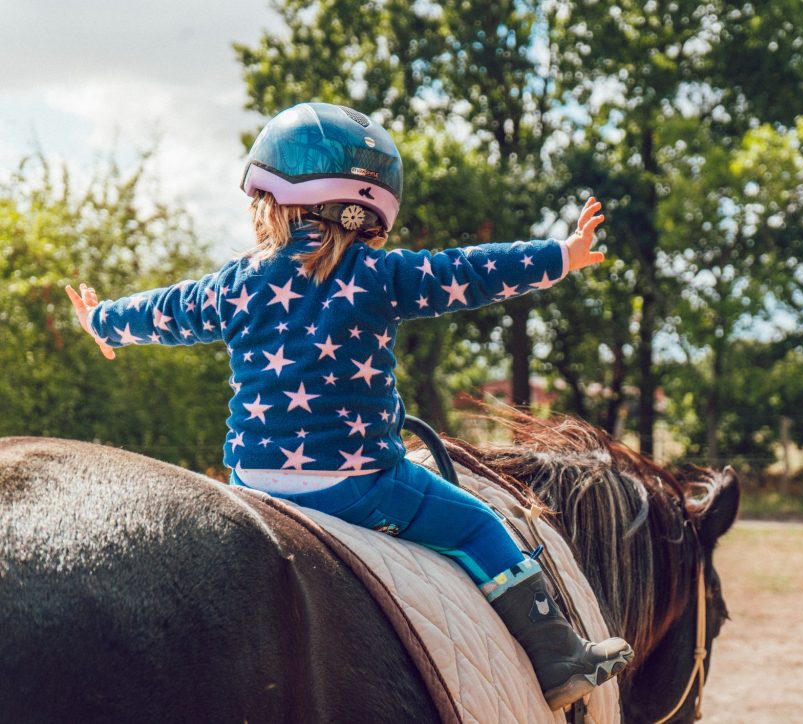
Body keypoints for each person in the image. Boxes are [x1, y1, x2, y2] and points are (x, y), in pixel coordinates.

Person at [65, 102, 632, 709]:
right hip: (359, 485)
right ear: (371, 212)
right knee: (477, 525)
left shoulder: (235, 281)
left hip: (253, 485)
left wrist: (103, 321)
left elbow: (168, 310)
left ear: (270, 201)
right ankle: (557, 657)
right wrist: (561, 257)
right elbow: (470, 270)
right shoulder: (380, 275)